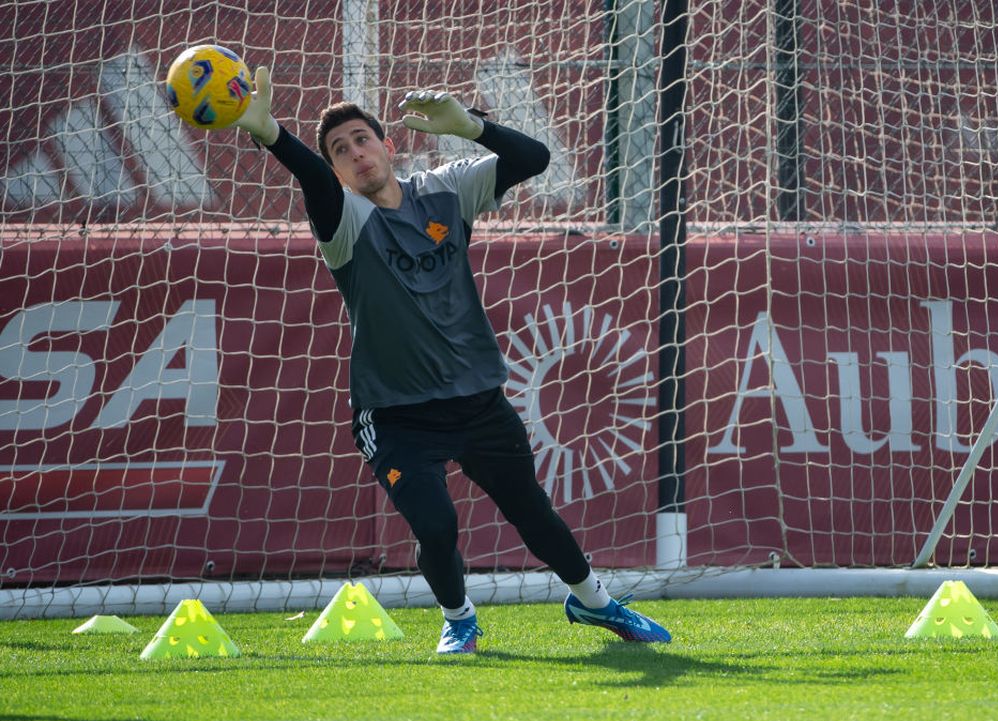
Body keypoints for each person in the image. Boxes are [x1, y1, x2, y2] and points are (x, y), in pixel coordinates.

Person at [232, 66, 671, 654]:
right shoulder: (345, 220)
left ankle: (595, 603)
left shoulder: (445, 188)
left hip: (478, 399)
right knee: (436, 525)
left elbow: (534, 159)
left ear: (388, 147)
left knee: (535, 517)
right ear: (335, 170)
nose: (355, 154)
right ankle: (458, 617)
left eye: (363, 140)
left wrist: (470, 126)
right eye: (340, 151)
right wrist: (273, 136)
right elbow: (312, 181)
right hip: (395, 414)